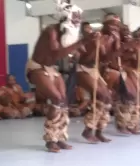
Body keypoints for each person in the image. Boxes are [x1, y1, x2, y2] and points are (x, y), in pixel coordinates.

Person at [25, 0, 93, 152]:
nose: (78, 20)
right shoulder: (51, 30)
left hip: (52, 68)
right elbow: (57, 53)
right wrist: (81, 42)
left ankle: (60, 136)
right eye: (75, 16)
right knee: (56, 99)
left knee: (64, 101)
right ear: (66, 16)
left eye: (79, 17)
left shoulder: (70, 35)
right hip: (37, 67)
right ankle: (50, 140)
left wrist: (90, 44)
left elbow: (79, 54)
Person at [77, 14, 119, 142]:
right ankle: (88, 130)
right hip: (83, 68)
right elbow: (85, 59)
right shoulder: (94, 36)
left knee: (107, 98)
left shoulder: (111, 38)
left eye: (116, 25)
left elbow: (108, 58)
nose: (114, 27)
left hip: (95, 70)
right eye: (111, 24)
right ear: (104, 24)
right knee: (100, 95)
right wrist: (96, 46)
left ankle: (100, 131)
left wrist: (117, 44)